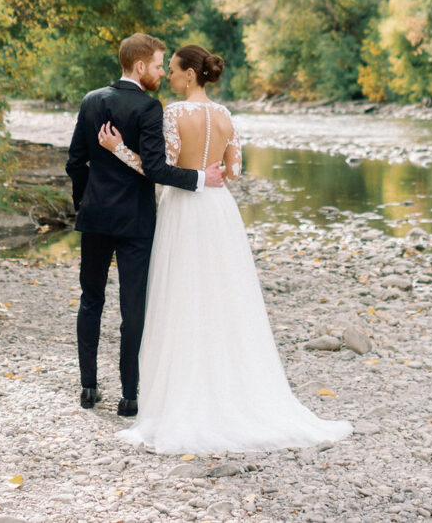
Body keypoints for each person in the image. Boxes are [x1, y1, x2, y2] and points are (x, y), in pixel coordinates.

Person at [97, 43, 353, 454]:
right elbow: (234, 171)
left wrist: (118, 150)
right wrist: (211, 169)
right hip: (219, 210)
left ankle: (184, 394)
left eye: (176, 71)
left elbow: (159, 170)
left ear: (191, 75)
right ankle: (233, 388)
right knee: (223, 298)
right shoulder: (227, 116)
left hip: (184, 209)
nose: (172, 77)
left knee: (181, 296)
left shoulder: (174, 113)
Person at [66, 33, 225, 418]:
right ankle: (129, 396)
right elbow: (155, 169)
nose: (160, 72)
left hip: (96, 218)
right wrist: (202, 179)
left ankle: (88, 388)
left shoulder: (90, 102)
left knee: (91, 300)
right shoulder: (150, 108)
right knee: (132, 307)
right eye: (157, 65)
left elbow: (75, 162)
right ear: (140, 66)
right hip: (136, 223)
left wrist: (86, 204)